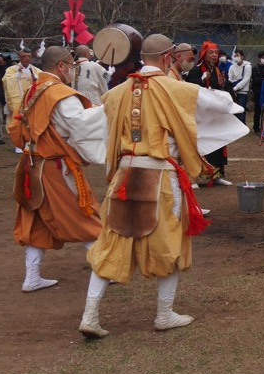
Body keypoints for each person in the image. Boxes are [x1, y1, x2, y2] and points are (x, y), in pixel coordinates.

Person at [79, 34, 247, 338]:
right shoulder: (177, 89)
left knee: (111, 243)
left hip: (124, 176)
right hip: (161, 178)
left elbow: (85, 124)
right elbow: (226, 106)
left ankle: (90, 315)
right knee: (170, 242)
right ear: (169, 57)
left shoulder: (117, 93)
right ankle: (164, 314)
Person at [8, 47, 106, 291]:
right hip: (54, 167)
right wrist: (108, 109)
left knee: (35, 219)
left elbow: (16, 125)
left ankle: (32, 277)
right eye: (72, 65)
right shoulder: (60, 93)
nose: (74, 70)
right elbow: (80, 125)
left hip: (31, 164)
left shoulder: (34, 88)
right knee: (83, 215)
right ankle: (105, 267)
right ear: (61, 66)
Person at [186, 41, 235, 186]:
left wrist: (223, 84)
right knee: (201, 143)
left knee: (218, 142)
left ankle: (216, 175)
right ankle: (195, 176)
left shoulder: (219, 71)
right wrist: (202, 79)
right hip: (201, 114)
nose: (214, 55)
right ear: (204, 54)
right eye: (211, 53)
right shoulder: (196, 70)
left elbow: (224, 90)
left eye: (216, 53)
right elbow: (189, 88)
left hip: (215, 114)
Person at [3, 49, 39, 117]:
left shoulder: (37, 71)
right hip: (18, 100)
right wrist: (17, 75)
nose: (27, 58)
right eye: (24, 56)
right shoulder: (11, 70)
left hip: (31, 101)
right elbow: (6, 80)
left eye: (29, 56)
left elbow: (44, 82)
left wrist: (36, 80)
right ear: (19, 57)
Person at [228, 49, 252, 124]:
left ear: (242, 56)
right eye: (235, 56)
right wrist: (232, 90)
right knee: (233, 110)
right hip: (233, 92)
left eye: (237, 55)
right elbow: (230, 78)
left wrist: (235, 88)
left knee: (241, 111)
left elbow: (246, 80)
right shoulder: (232, 67)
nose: (236, 57)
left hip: (242, 92)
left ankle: (242, 126)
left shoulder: (247, 67)